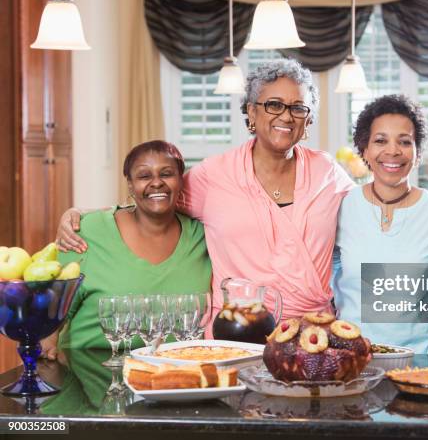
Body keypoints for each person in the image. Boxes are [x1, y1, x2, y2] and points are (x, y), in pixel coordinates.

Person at [55, 59, 354, 322]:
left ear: (308, 119)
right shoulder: (214, 175)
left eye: (298, 108)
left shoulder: (328, 173)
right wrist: (86, 214)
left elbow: (368, 215)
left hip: (315, 331)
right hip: (237, 333)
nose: (286, 116)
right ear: (251, 111)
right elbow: (159, 197)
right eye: (274, 105)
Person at [42, 140, 212, 357]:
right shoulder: (87, 231)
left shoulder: (202, 235)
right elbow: (51, 311)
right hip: (92, 372)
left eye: (167, 174)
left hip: (180, 373)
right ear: (130, 185)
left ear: (181, 181)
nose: (156, 183)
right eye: (144, 176)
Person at [333, 95, 428, 353]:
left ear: (417, 151)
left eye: (404, 142)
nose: (393, 151)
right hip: (351, 358)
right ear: (364, 149)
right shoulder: (342, 208)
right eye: (380, 141)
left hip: (419, 361)